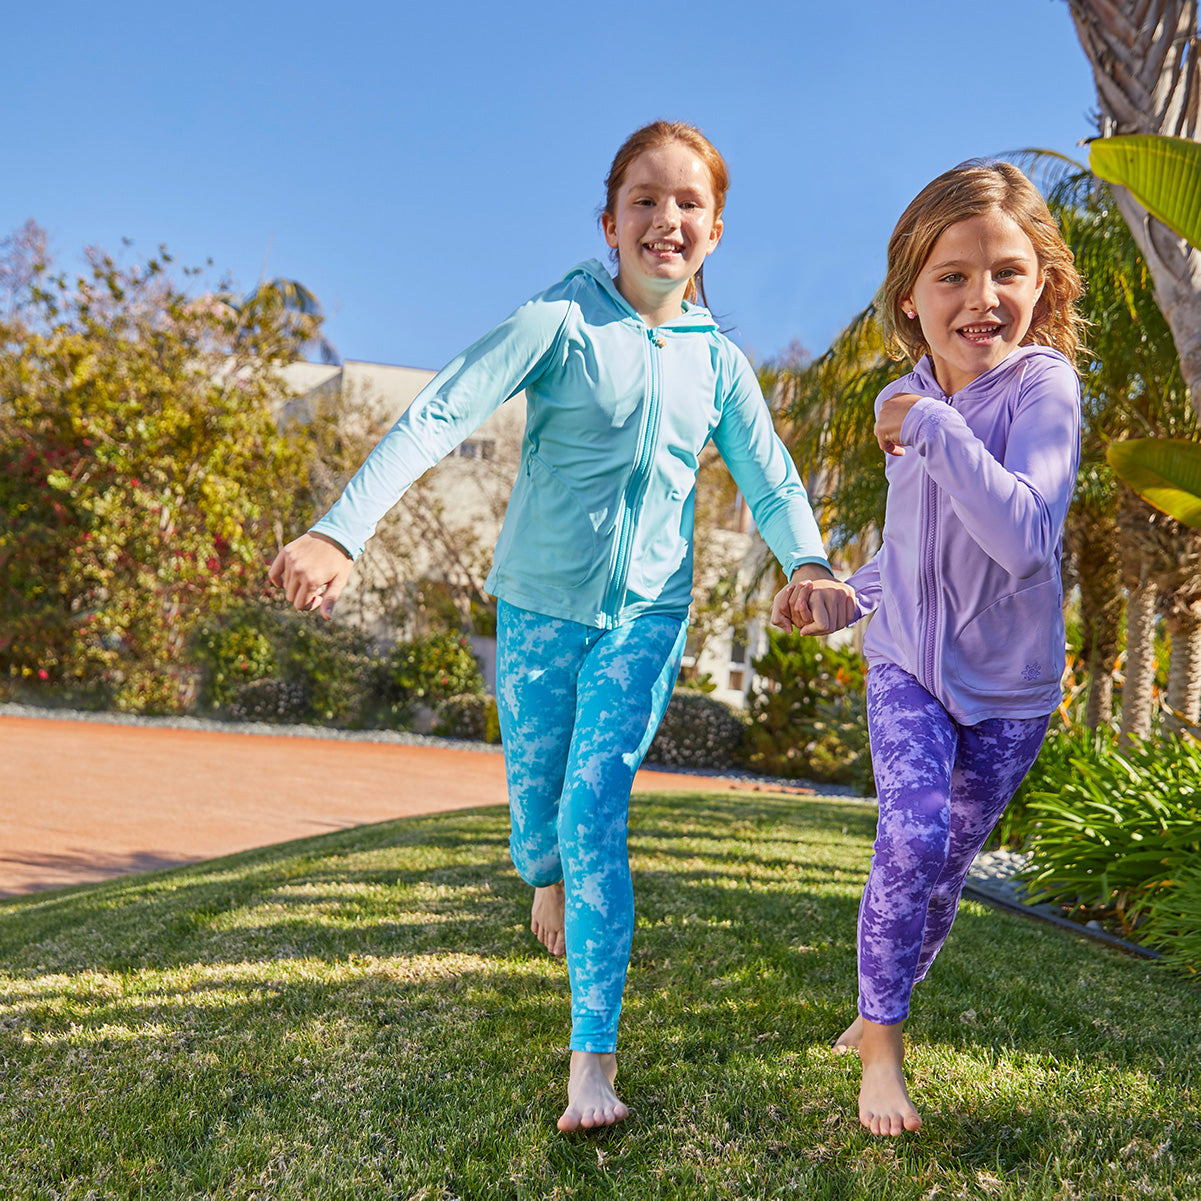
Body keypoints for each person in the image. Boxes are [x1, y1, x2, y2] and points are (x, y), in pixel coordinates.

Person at [270, 120, 857, 1133]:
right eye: (644, 199)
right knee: (536, 816)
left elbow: (771, 480)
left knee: (592, 811)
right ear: (610, 221)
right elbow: (439, 412)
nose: (665, 218)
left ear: (714, 231)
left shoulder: (718, 365)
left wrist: (807, 562)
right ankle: (541, 874)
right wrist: (340, 531)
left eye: (687, 203)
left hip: (646, 616)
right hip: (538, 608)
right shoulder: (559, 320)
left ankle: (593, 1059)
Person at [774, 159, 1084, 1137]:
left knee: (943, 868)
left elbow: (1023, 537)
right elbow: (912, 551)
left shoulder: (1043, 388)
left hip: (1011, 691)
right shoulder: (905, 400)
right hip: (907, 664)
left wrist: (933, 426)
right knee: (908, 838)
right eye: (952, 275)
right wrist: (846, 597)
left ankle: (878, 1003)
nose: (981, 296)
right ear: (909, 296)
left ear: (1041, 284)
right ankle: (881, 1046)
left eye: (1006, 272)